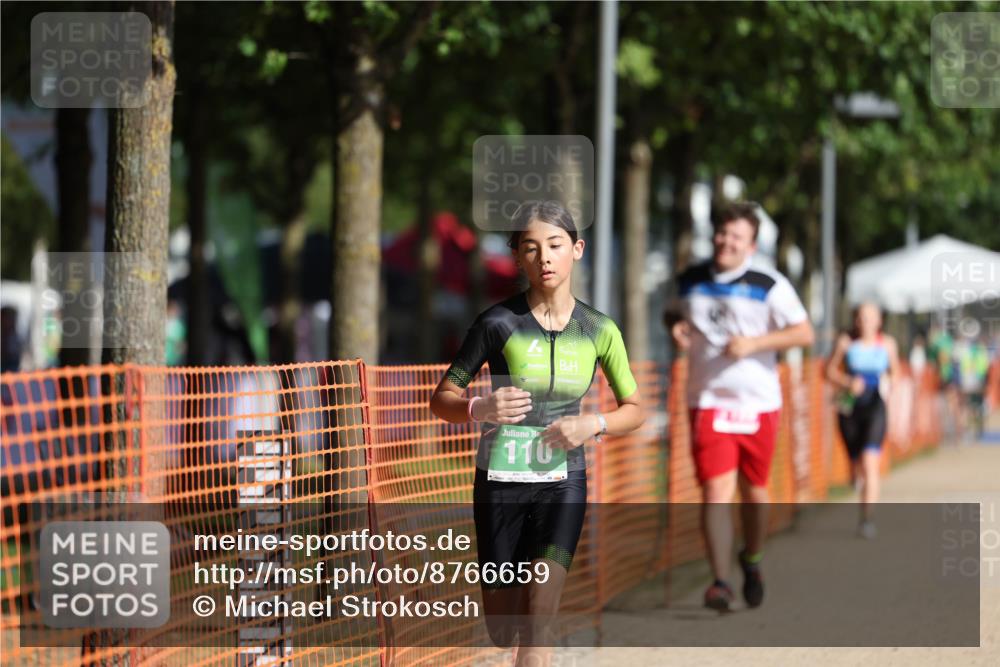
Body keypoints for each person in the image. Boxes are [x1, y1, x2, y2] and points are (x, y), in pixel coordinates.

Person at [430, 200, 644, 664]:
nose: (545, 257)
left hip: (563, 481)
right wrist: (478, 406)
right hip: (500, 482)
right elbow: (440, 400)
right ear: (518, 257)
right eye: (532, 248)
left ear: (577, 250)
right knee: (504, 628)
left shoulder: (599, 329)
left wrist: (593, 423)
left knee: (539, 616)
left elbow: (635, 409)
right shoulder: (497, 323)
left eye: (555, 245)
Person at [667, 201, 814, 612]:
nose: (726, 242)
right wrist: (675, 326)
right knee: (715, 491)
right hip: (709, 399)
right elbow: (674, 314)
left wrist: (755, 344)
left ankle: (751, 559)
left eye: (736, 236)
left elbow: (804, 333)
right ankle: (719, 582)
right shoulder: (691, 278)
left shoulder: (770, 283)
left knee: (754, 492)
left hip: (759, 403)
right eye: (722, 233)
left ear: (750, 245)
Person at [825, 303, 901, 539]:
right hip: (849, 409)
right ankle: (858, 479)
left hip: (875, 407)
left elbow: (895, 372)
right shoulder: (845, 343)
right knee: (857, 465)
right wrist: (848, 382)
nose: (864, 322)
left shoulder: (887, 344)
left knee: (870, 464)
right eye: (860, 317)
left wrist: (889, 382)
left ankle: (867, 519)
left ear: (879, 321)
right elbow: (827, 372)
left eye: (869, 317)